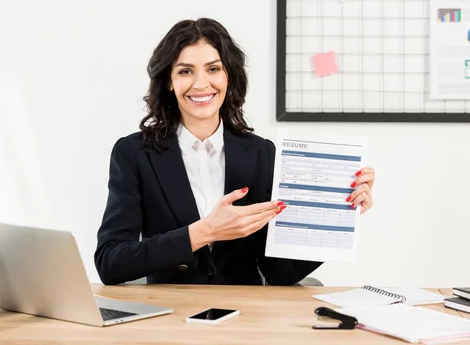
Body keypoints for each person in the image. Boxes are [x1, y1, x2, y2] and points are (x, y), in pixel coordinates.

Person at [94, 18, 375, 286]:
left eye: (213, 69)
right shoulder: (134, 153)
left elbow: (279, 273)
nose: (201, 83)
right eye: (185, 70)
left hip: (243, 314)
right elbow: (110, 262)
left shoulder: (260, 153)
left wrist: (340, 211)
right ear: (169, 81)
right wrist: (203, 232)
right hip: (169, 314)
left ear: (229, 76)